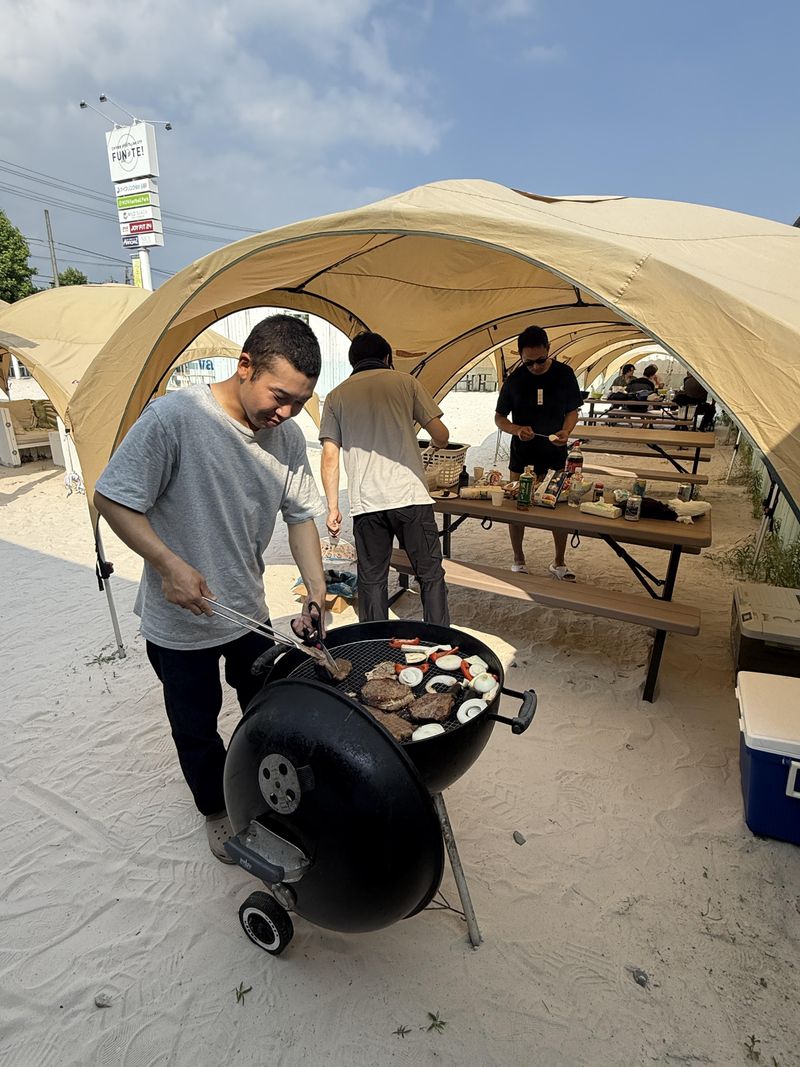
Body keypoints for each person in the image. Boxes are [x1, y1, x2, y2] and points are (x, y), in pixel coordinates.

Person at [93, 314, 327, 863]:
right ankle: (216, 811)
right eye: (279, 397)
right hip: (179, 621)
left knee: (265, 711)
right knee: (195, 727)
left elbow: (301, 518)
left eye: (299, 402)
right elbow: (113, 498)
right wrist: (167, 563)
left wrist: (315, 591)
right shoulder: (175, 418)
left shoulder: (288, 437)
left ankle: (263, 793)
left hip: (246, 609)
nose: (286, 413)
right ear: (245, 366)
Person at [320, 332, 450, 625]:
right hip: (410, 496)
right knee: (430, 575)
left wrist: (332, 507)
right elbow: (441, 435)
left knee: (372, 579)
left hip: (366, 503)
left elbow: (329, 456)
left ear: (353, 361)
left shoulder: (336, 396)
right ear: (387, 357)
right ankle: (441, 642)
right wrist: (436, 443)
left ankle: (372, 642)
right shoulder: (406, 382)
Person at [494, 325, 582, 581]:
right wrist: (516, 429)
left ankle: (559, 561)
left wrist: (566, 431)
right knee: (517, 508)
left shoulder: (564, 374)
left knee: (558, 510)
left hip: (555, 452)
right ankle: (518, 559)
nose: (535, 367)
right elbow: (500, 417)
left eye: (540, 360)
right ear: (521, 356)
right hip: (522, 454)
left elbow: (572, 410)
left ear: (549, 349)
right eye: (528, 362)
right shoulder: (515, 379)